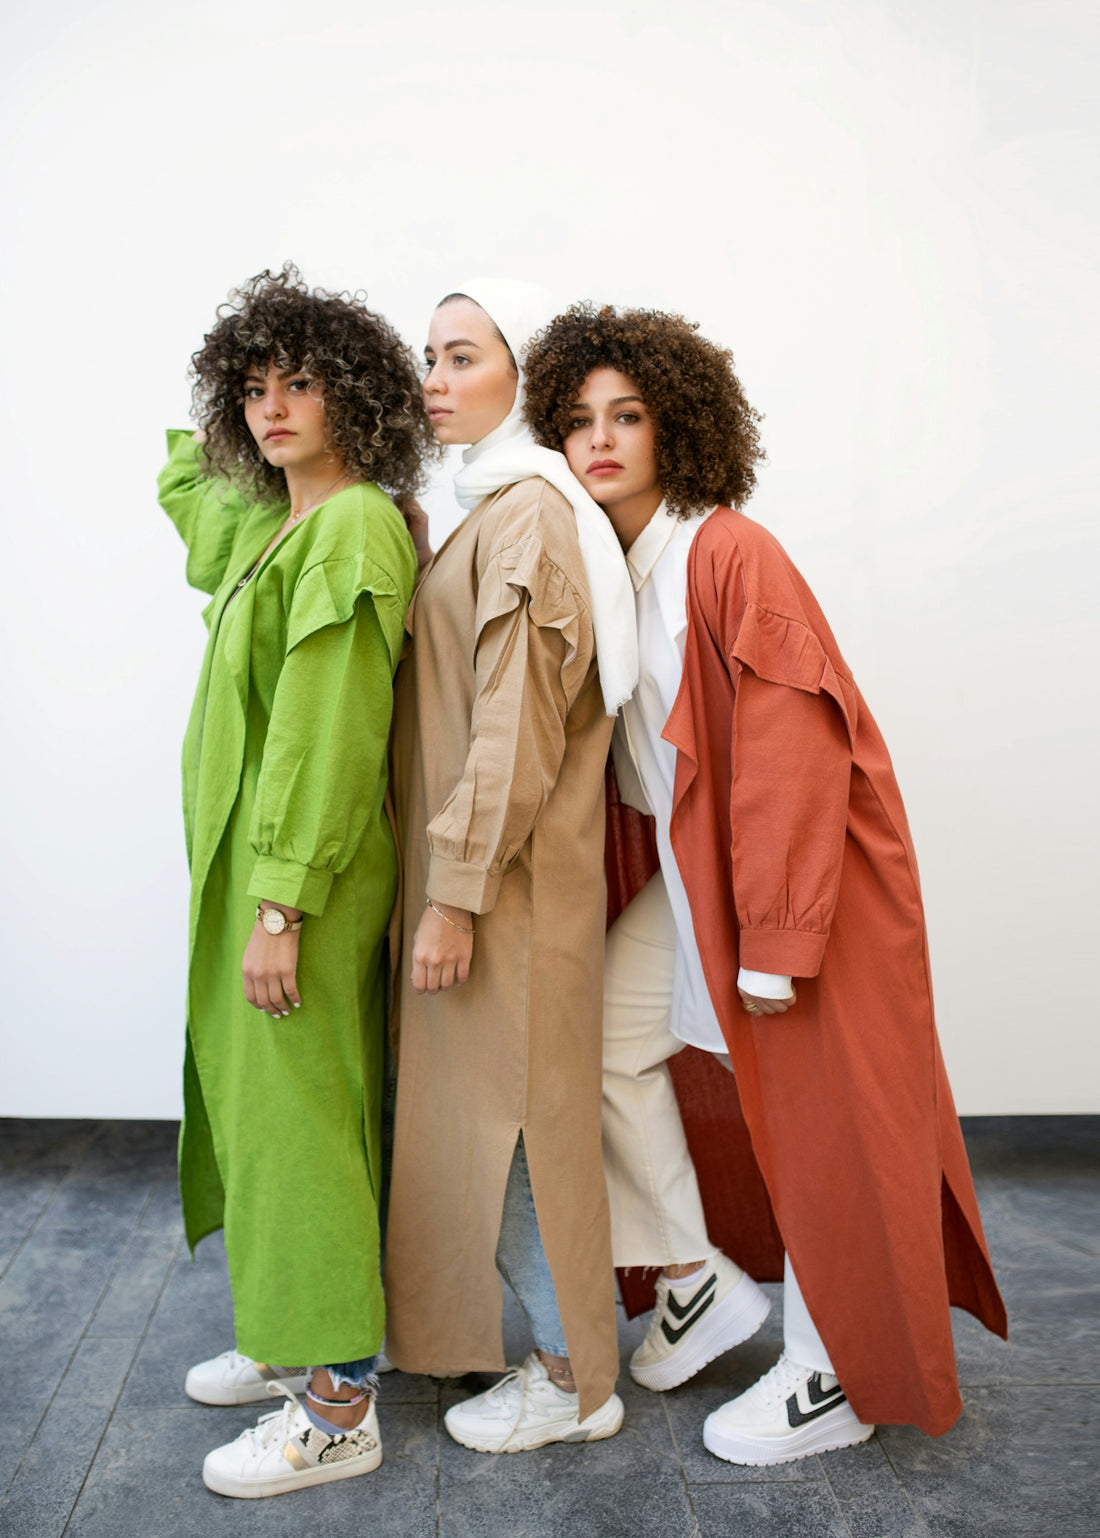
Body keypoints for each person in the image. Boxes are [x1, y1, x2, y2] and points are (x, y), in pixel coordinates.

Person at [522, 304, 1007, 1466]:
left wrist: (780, 938)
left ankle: (831, 1370)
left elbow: (793, 740)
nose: (601, 439)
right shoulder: (622, 566)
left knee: (829, 1123)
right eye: (579, 420)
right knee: (598, 1041)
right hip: (707, 886)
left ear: (676, 427)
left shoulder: (726, 548)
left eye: (627, 416)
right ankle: (690, 1276)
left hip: (799, 894)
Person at [157, 266, 427, 1497]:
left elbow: (329, 728)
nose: (274, 408)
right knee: (261, 1110)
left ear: (357, 395)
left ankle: (335, 1403)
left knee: (304, 1121)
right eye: (252, 389)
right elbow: (184, 485)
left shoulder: (353, 523)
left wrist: (283, 904)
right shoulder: (272, 522)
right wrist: (234, 412)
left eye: (302, 383)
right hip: (252, 878)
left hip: (297, 885)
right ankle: (286, 1339)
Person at [384, 280, 638, 1453]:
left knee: (523, 1124)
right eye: (426, 359)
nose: (435, 378)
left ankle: (575, 1376)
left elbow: (514, 723)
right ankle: (546, 1353)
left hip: (511, 889)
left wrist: (456, 891)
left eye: (460, 355)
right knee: (492, 1115)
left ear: (516, 376)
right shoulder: (488, 506)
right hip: (495, 882)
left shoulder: (530, 510)